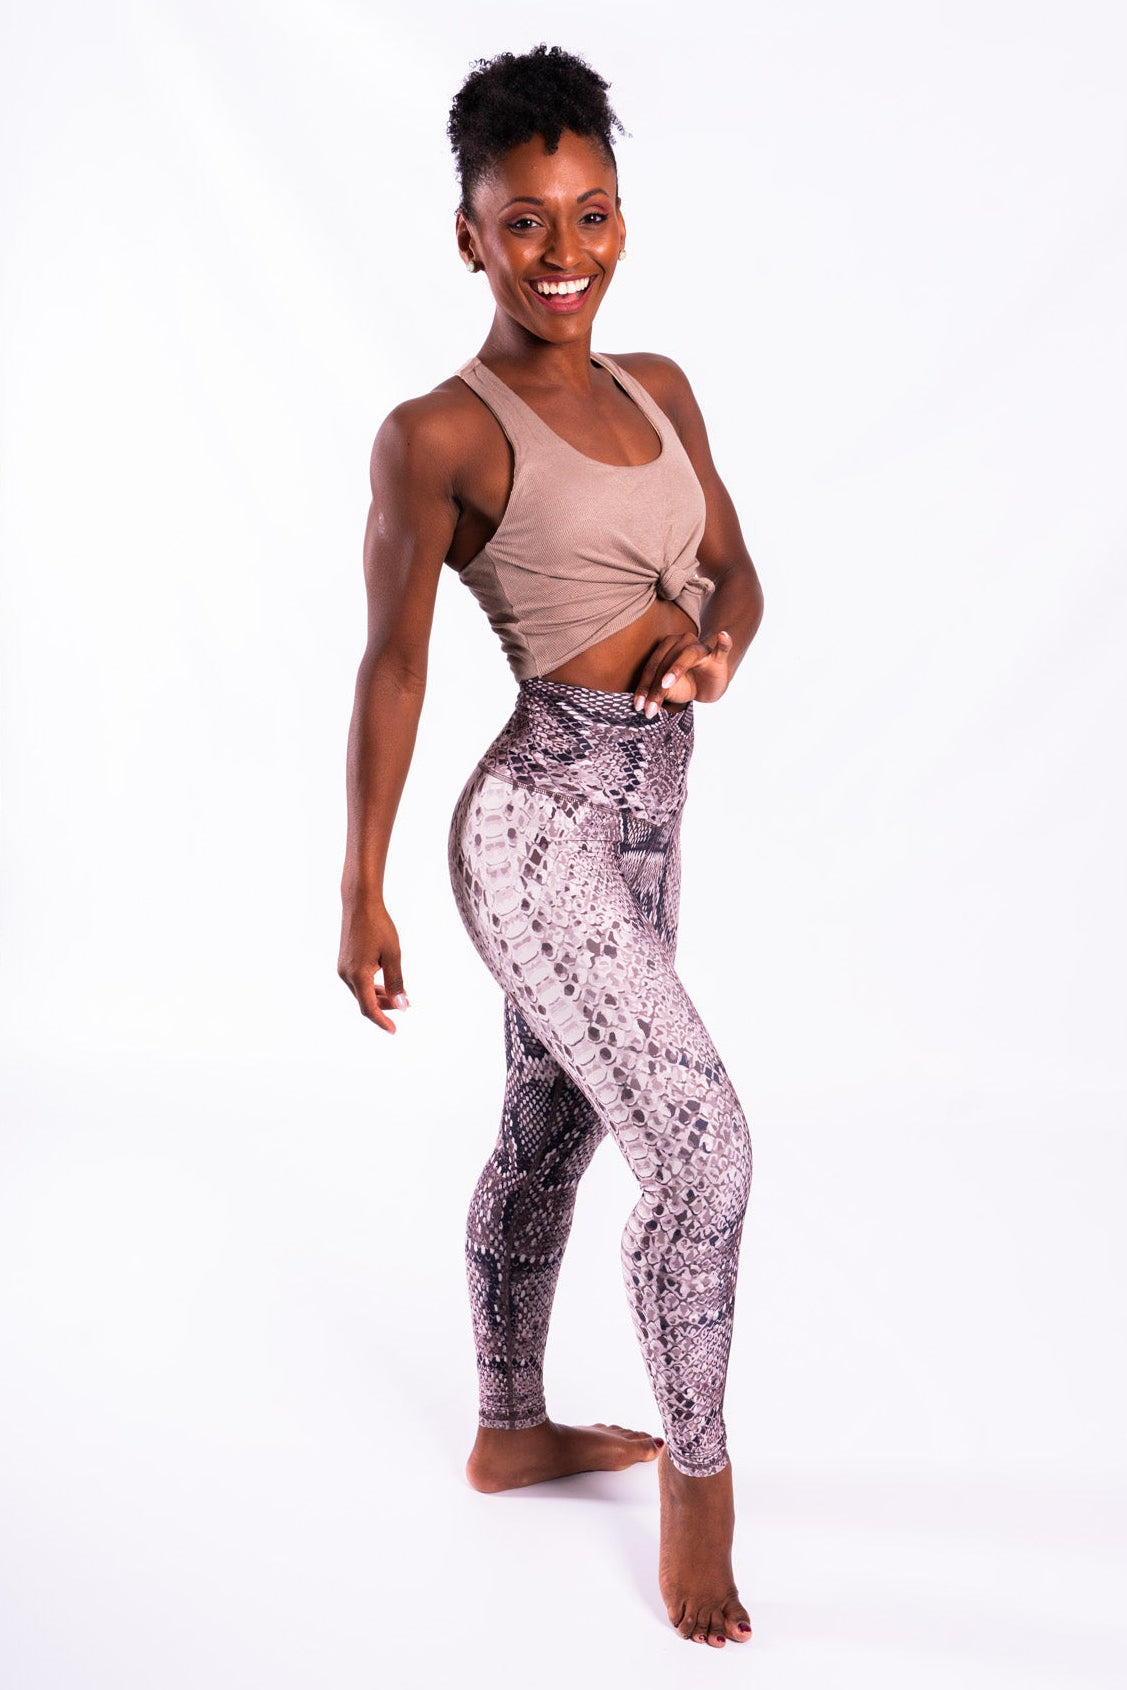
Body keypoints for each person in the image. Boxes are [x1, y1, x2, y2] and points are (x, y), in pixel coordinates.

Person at [338, 44, 765, 1648]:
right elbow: (392, 666)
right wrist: (362, 883)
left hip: (654, 817)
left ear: (622, 217)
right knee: (703, 1152)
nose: (562, 252)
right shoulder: (438, 436)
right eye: (524, 222)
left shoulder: (665, 389)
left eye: (589, 214)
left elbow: (737, 572)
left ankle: (510, 1428)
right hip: (537, 831)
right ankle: (702, 1486)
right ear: (471, 236)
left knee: (551, 1131)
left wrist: (716, 650)